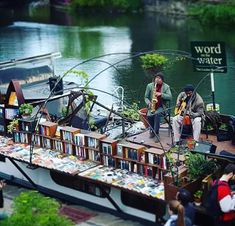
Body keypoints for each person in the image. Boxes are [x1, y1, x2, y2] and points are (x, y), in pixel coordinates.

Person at [144, 72, 172, 141]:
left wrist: (161, 94)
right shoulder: (149, 86)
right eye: (156, 78)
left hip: (161, 106)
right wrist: (149, 103)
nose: (157, 79)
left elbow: (170, 97)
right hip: (152, 106)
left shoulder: (166, 87)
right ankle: (152, 130)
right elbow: (146, 97)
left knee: (156, 114)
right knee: (149, 115)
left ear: (162, 80)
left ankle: (156, 133)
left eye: (159, 78)